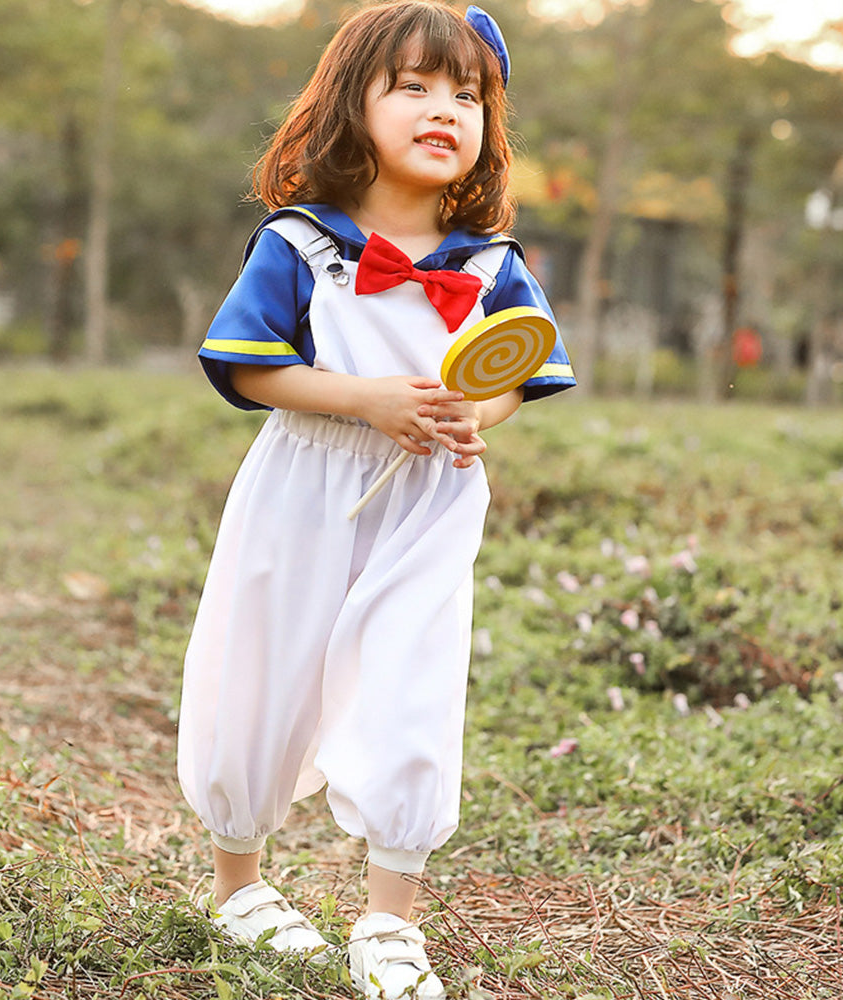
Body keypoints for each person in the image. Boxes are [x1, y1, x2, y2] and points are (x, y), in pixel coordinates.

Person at [177, 3, 576, 997]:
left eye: (468, 93)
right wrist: (366, 399)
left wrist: (471, 415)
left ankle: (389, 919)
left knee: (413, 680)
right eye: (412, 86)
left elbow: (522, 369)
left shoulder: (491, 262)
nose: (444, 107)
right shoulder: (301, 244)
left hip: (431, 497)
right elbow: (248, 367)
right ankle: (240, 885)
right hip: (305, 481)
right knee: (262, 669)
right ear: (350, 104)